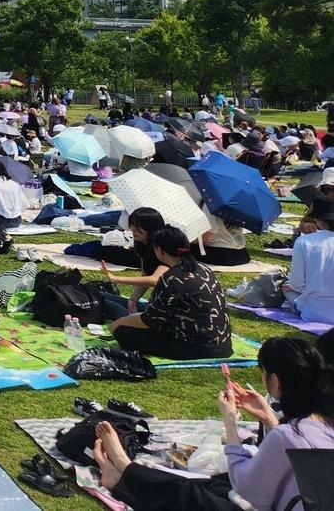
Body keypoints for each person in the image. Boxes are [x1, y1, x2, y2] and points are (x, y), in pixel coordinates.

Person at [92, 335, 334, 511]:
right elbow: (294, 458)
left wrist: (230, 424)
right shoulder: (321, 423)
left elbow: (246, 488)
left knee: (188, 493)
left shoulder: (288, 435)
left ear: (276, 381)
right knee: (209, 485)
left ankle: (122, 470)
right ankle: (126, 473)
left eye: (262, 372)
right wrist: (268, 416)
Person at [109, 225, 233, 360]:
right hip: (223, 346)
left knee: (122, 332)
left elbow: (151, 320)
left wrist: (120, 322)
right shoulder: (204, 269)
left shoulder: (173, 277)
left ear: (160, 250)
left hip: (195, 348)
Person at [95, 206, 168, 318]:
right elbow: (145, 276)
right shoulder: (143, 246)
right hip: (154, 305)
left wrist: (116, 278)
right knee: (96, 295)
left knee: (118, 315)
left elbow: (154, 280)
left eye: (138, 226)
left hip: (165, 311)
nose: (133, 230)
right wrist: (133, 299)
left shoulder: (165, 249)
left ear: (151, 227)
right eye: (132, 225)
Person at [288, 199, 334, 323]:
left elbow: (296, 284)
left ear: (318, 220)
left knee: (285, 287)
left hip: (314, 311)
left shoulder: (304, 241)